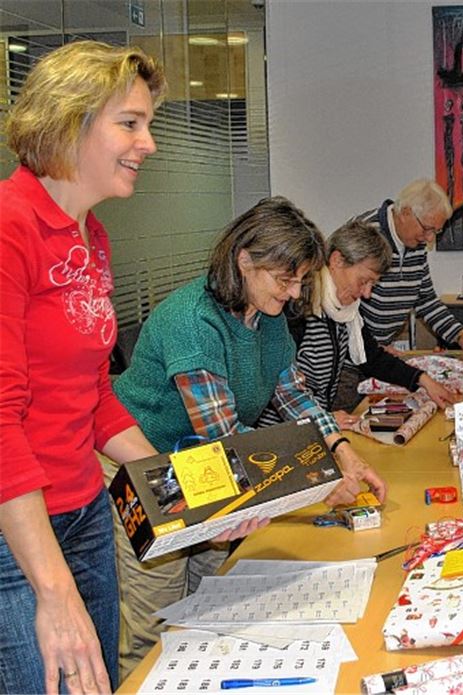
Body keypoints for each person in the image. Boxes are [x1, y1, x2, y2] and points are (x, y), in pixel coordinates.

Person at [109, 197, 387, 674]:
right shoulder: (192, 321)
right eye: (286, 279)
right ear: (245, 260)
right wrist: (315, 480)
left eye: (302, 279)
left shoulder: (269, 316)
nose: (296, 291)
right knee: (153, 619)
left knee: (214, 598)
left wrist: (341, 452)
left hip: (202, 467)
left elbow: (294, 396)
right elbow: (226, 439)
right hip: (142, 469)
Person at [0, 41, 165, 695]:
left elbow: (93, 393)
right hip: (18, 533)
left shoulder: (90, 236)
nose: (147, 143)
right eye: (130, 123)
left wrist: (171, 484)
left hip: (85, 511)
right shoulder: (10, 226)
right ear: (69, 121)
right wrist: (53, 586)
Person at [258, 218, 456, 432]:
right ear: (337, 261)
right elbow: (276, 388)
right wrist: (321, 419)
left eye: (373, 284)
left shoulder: (347, 314)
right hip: (280, 434)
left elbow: (373, 358)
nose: (367, 293)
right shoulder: (297, 308)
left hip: (314, 429)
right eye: (364, 281)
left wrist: (423, 380)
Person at [331, 179, 463, 411]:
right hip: (348, 360)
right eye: (427, 228)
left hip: (376, 356)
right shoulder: (367, 234)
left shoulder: (415, 245)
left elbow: (425, 299)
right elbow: (342, 299)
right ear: (405, 212)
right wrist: (370, 345)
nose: (429, 239)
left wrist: (460, 335)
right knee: (346, 419)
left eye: (436, 231)